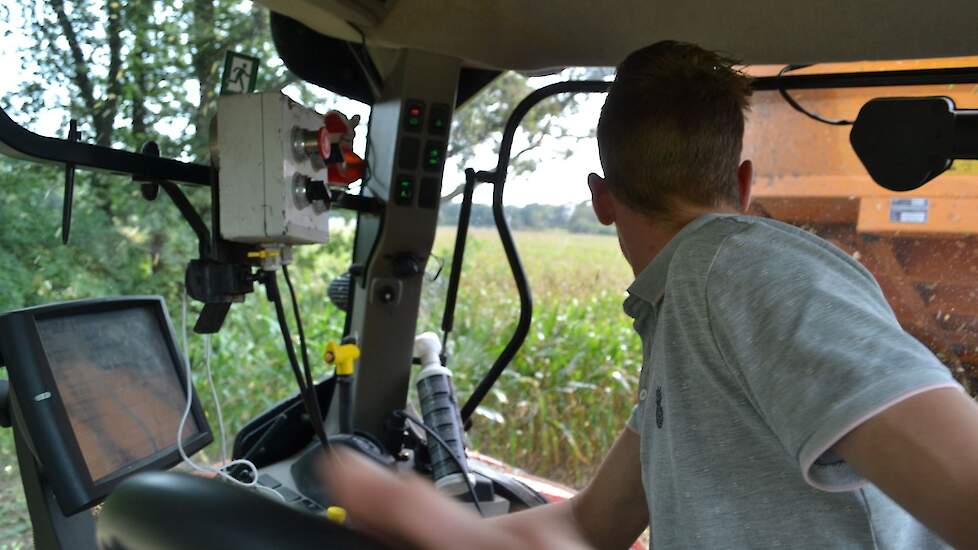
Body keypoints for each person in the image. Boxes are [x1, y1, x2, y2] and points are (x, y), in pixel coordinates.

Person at [324, 41, 978, 549]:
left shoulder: (738, 271)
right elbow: (586, 528)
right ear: (744, 182)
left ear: (601, 200)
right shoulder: (691, 310)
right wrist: (438, 527)